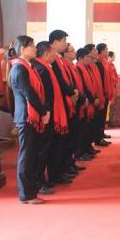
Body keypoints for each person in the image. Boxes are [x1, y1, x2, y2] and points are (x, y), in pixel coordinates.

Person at [8, 36, 49, 204]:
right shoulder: (19, 69)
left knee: (31, 155)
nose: (35, 48)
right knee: (27, 156)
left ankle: (31, 192)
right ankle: (26, 194)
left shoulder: (27, 67)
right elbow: (29, 94)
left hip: (31, 116)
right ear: (22, 49)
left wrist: (44, 110)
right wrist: (43, 111)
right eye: (32, 45)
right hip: (26, 117)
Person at [32, 41, 72, 194]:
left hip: (51, 113)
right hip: (45, 114)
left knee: (50, 148)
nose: (56, 56)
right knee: (42, 150)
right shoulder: (41, 68)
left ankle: (52, 176)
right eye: (53, 53)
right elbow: (43, 95)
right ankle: (39, 182)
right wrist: (47, 112)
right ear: (47, 53)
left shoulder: (46, 67)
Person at [48, 30, 82, 182]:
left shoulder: (60, 60)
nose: (65, 44)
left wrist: (74, 91)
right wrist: (71, 92)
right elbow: (60, 82)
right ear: (55, 42)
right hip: (59, 104)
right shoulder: (53, 60)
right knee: (59, 143)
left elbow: (68, 79)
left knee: (67, 139)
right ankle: (58, 172)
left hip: (68, 102)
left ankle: (66, 166)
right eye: (63, 41)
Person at [107, 51, 120, 127]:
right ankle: (110, 121)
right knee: (111, 104)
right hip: (111, 87)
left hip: (114, 87)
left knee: (116, 103)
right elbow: (110, 76)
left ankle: (116, 121)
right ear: (110, 57)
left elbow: (115, 75)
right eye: (114, 56)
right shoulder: (108, 65)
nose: (114, 57)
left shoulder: (112, 65)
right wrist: (115, 81)